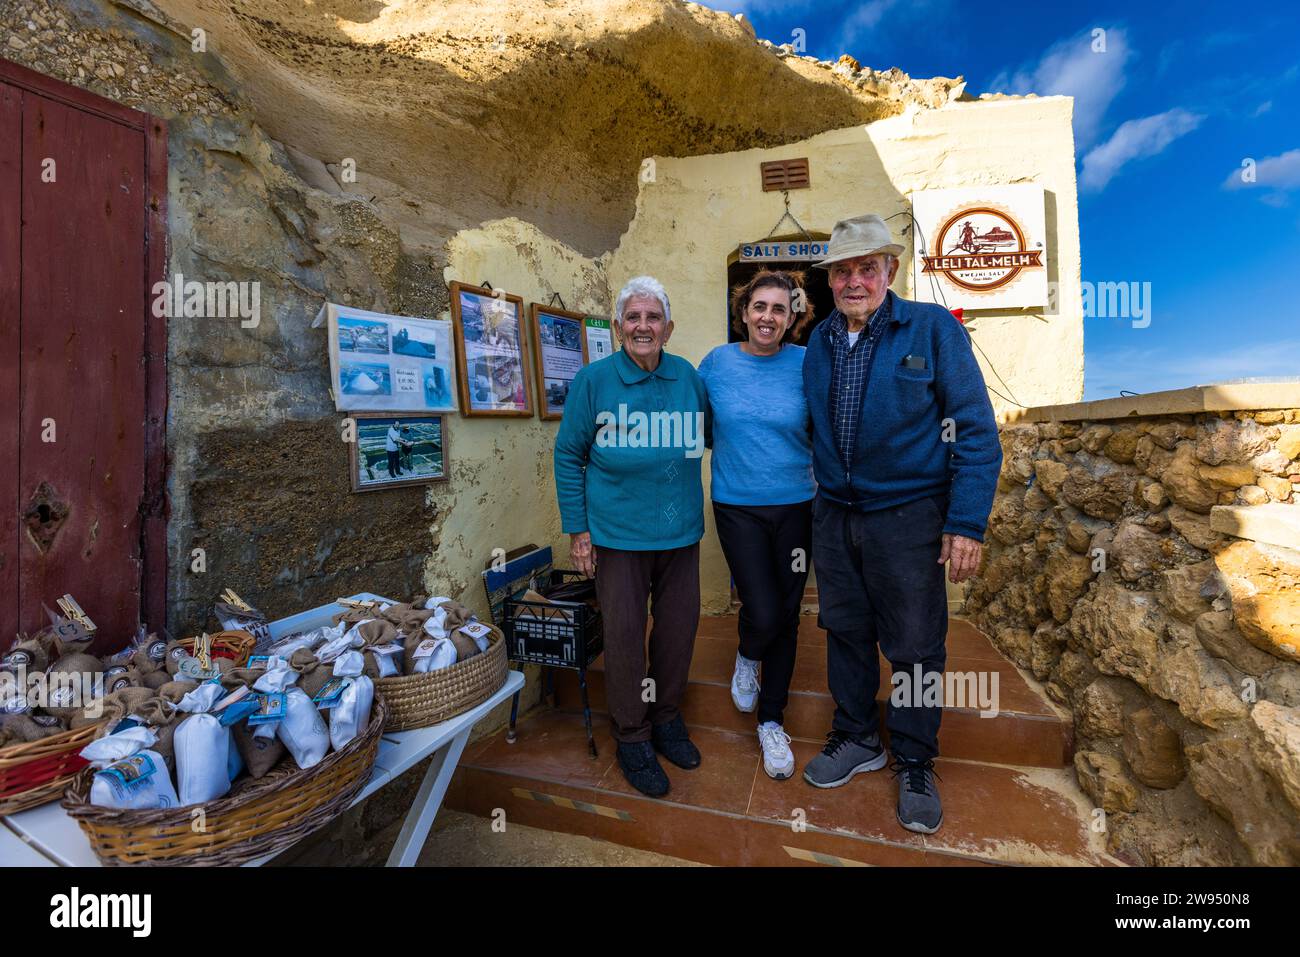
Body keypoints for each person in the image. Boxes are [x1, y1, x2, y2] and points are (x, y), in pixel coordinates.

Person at [801, 213, 1002, 834]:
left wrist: (965, 523)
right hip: (837, 516)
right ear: (830, 280)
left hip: (910, 518)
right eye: (842, 270)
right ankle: (858, 735)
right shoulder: (819, 343)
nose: (854, 280)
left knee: (916, 646)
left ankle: (915, 758)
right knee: (845, 630)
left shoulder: (932, 328)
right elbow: (816, 428)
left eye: (866, 267)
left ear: (890, 270)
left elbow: (975, 430)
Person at [554, 276, 710, 798]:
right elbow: (568, 454)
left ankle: (666, 718)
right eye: (633, 317)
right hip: (617, 536)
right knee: (623, 637)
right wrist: (579, 532)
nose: (643, 326)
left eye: (653, 317)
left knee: (677, 631)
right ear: (619, 325)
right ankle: (632, 733)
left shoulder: (687, 375)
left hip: (680, 533)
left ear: (668, 326)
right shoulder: (594, 381)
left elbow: (708, 434)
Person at [697, 270, 815, 781]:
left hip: (798, 506)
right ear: (743, 312)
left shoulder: (809, 364)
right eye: (759, 307)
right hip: (738, 505)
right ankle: (747, 655)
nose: (768, 317)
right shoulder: (716, 364)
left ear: (792, 318)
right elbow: (696, 429)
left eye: (779, 309)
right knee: (762, 608)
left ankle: (772, 721)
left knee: (787, 614)